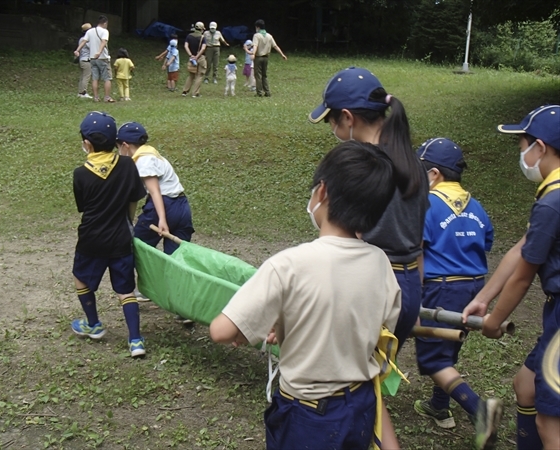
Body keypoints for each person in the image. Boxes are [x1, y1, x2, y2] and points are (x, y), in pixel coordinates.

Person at [210, 141, 401, 450]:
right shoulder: (381, 262)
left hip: (309, 416)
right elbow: (374, 327)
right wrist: (288, 324)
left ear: (321, 192)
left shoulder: (288, 265)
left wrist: (257, 327)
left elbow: (222, 330)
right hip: (361, 403)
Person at [308, 67, 429, 450]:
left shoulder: (364, 168)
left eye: (331, 119)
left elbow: (347, 242)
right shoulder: (413, 161)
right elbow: (419, 242)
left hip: (371, 288)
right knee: (370, 381)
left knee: (355, 385)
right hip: (407, 286)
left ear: (347, 117)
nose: (332, 128)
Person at [463, 104, 560, 450]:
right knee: (527, 384)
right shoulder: (552, 195)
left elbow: (523, 275)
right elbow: (521, 249)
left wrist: (494, 320)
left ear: (541, 148)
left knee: (552, 427)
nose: (521, 153)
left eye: (522, 144)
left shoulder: (553, 202)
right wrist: (483, 299)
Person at [412, 137, 502, 449]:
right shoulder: (475, 205)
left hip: (441, 288)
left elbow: (418, 251)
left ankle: (479, 410)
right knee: (448, 343)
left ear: (434, 174)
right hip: (474, 286)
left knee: (434, 359)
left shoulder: (426, 204)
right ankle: (439, 406)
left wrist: (415, 290)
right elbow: (486, 241)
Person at [71, 111, 147, 357]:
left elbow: (83, 206)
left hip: (91, 239)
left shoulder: (80, 173)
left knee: (82, 279)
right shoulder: (126, 165)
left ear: (87, 144)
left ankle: (93, 324)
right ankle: (135, 340)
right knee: (125, 290)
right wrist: (128, 222)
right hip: (120, 239)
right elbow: (134, 199)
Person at [116, 122, 194, 255]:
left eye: (117, 147)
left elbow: (154, 191)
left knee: (135, 250)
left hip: (164, 206)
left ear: (125, 145)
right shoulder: (153, 154)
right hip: (182, 206)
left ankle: (145, 275)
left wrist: (161, 219)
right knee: (176, 259)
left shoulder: (144, 161)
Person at [74, 15, 115, 103]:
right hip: (103, 57)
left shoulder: (90, 31)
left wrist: (77, 50)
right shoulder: (105, 31)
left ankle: (96, 97)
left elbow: (84, 41)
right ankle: (107, 97)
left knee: (95, 78)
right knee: (107, 78)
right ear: (105, 23)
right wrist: (99, 52)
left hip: (92, 58)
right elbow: (104, 42)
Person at [251, 19, 287, 97]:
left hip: (258, 57)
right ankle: (267, 92)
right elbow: (275, 46)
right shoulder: (269, 36)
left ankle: (259, 92)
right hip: (266, 58)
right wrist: (282, 54)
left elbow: (255, 46)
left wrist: (253, 54)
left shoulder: (256, 35)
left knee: (258, 75)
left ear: (257, 27)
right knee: (264, 75)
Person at [182, 22, 207, 98]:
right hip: (201, 58)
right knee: (199, 75)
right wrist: (197, 56)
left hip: (192, 59)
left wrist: (191, 55)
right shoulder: (202, 37)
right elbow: (203, 48)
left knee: (191, 75)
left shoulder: (189, 36)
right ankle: (195, 93)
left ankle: (185, 91)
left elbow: (186, 46)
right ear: (202, 29)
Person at [77, 23, 92, 98]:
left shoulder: (81, 39)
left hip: (81, 60)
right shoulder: (86, 40)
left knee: (82, 76)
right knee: (86, 77)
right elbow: (92, 47)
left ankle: (80, 92)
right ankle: (83, 93)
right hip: (86, 60)